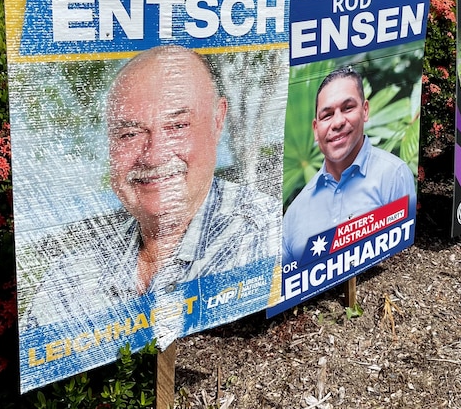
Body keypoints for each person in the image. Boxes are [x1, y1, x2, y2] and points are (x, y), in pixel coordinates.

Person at [24, 45, 280, 327]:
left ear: (217, 121)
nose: (154, 155)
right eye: (130, 134)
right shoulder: (73, 271)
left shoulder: (263, 231)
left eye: (177, 126)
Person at [282, 66, 416, 264]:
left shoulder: (393, 175)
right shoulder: (294, 212)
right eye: (327, 115)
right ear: (315, 129)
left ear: (365, 111)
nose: (337, 122)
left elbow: (402, 264)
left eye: (347, 108)